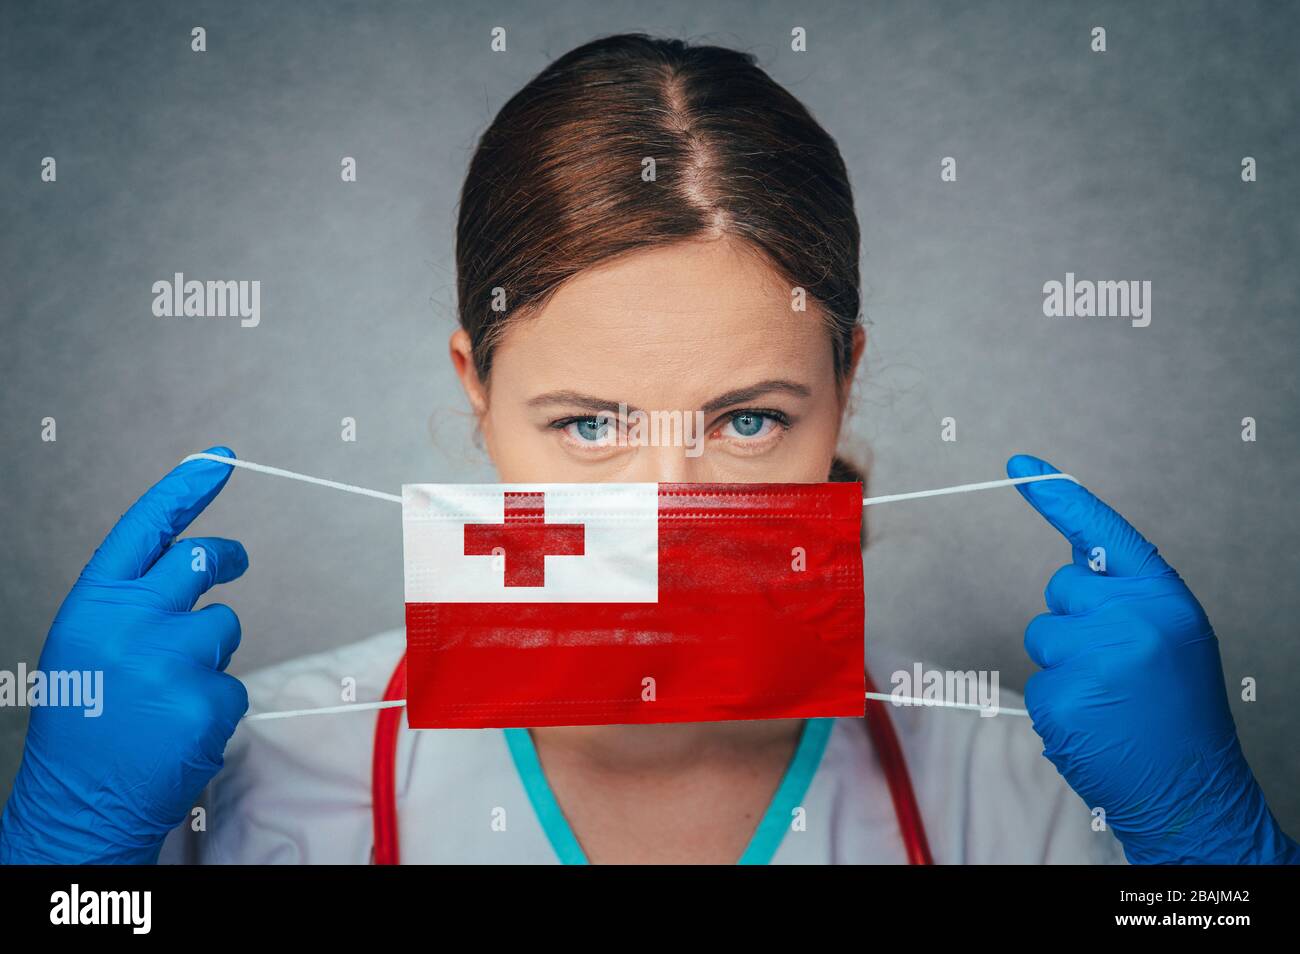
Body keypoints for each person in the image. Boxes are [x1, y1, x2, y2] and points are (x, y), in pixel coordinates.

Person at [1, 34, 1295, 866]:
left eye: (749, 420)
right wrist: (66, 870)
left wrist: (1216, 857)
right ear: (477, 390)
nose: (669, 508)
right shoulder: (247, 777)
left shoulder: (1031, 789)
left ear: (842, 387)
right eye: (587, 424)